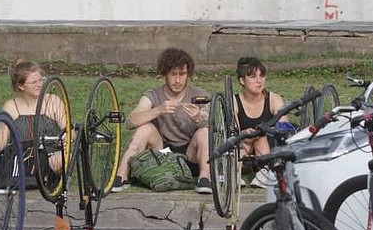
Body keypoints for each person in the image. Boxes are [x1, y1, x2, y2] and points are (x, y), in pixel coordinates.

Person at [113, 48, 212, 194]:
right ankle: (121, 175)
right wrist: (158, 110)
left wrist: (199, 119)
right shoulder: (153, 96)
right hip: (162, 153)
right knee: (145, 129)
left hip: (191, 154)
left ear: (188, 74)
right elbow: (130, 122)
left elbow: (217, 129)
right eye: (173, 74)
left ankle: (205, 177)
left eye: (182, 74)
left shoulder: (201, 95)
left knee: (204, 132)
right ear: (164, 74)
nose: (178, 80)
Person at [0, 58, 67, 187]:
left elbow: (68, 130)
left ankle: (35, 176)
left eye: (41, 80)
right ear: (20, 86)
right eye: (34, 82)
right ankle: (25, 177)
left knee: (65, 156)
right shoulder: (10, 106)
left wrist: (67, 138)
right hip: (18, 156)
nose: (39, 84)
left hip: (48, 156)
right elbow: (1, 142)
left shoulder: (53, 101)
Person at [232, 56, 286, 188]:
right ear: (242, 80)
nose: (259, 81)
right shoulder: (234, 101)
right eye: (252, 77)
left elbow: (283, 127)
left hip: (268, 146)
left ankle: (265, 171)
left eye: (261, 76)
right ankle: (235, 172)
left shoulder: (273, 99)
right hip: (244, 148)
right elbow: (232, 131)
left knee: (260, 136)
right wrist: (245, 135)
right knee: (246, 137)